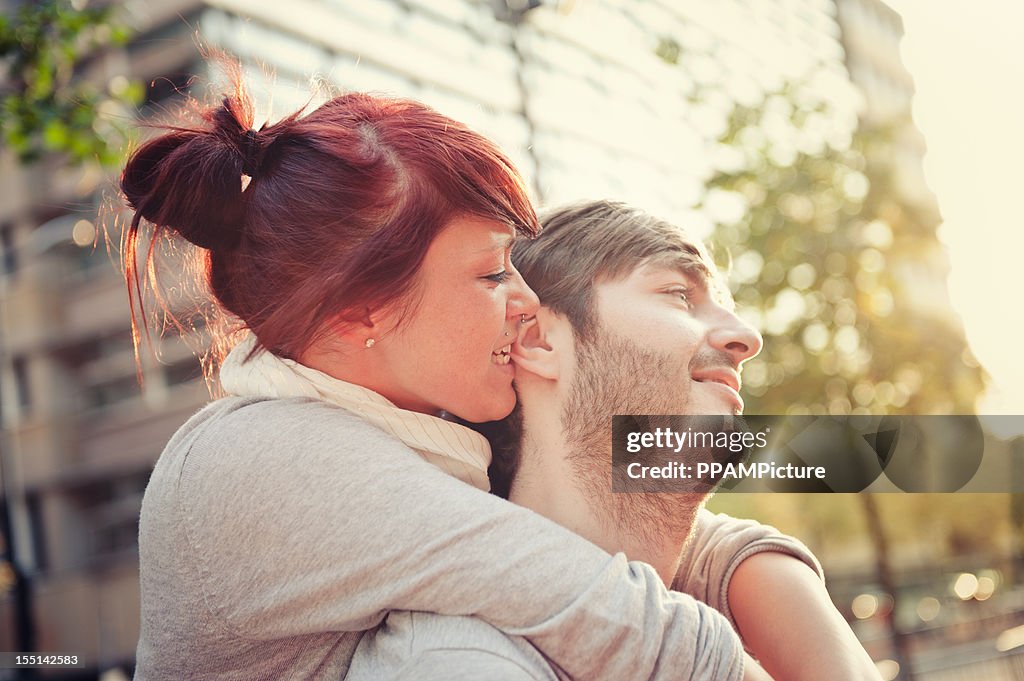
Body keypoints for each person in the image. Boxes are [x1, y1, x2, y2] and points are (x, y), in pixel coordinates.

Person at [122, 75, 846, 681]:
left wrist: (752, 561)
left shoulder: (407, 434)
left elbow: (579, 531)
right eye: (493, 271)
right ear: (358, 311)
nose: (526, 303)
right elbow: (599, 604)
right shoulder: (269, 458)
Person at [349, 201, 882, 681]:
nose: (747, 338)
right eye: (679, 294)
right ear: (536, 341)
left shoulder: (735, 590)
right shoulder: (462, 665)